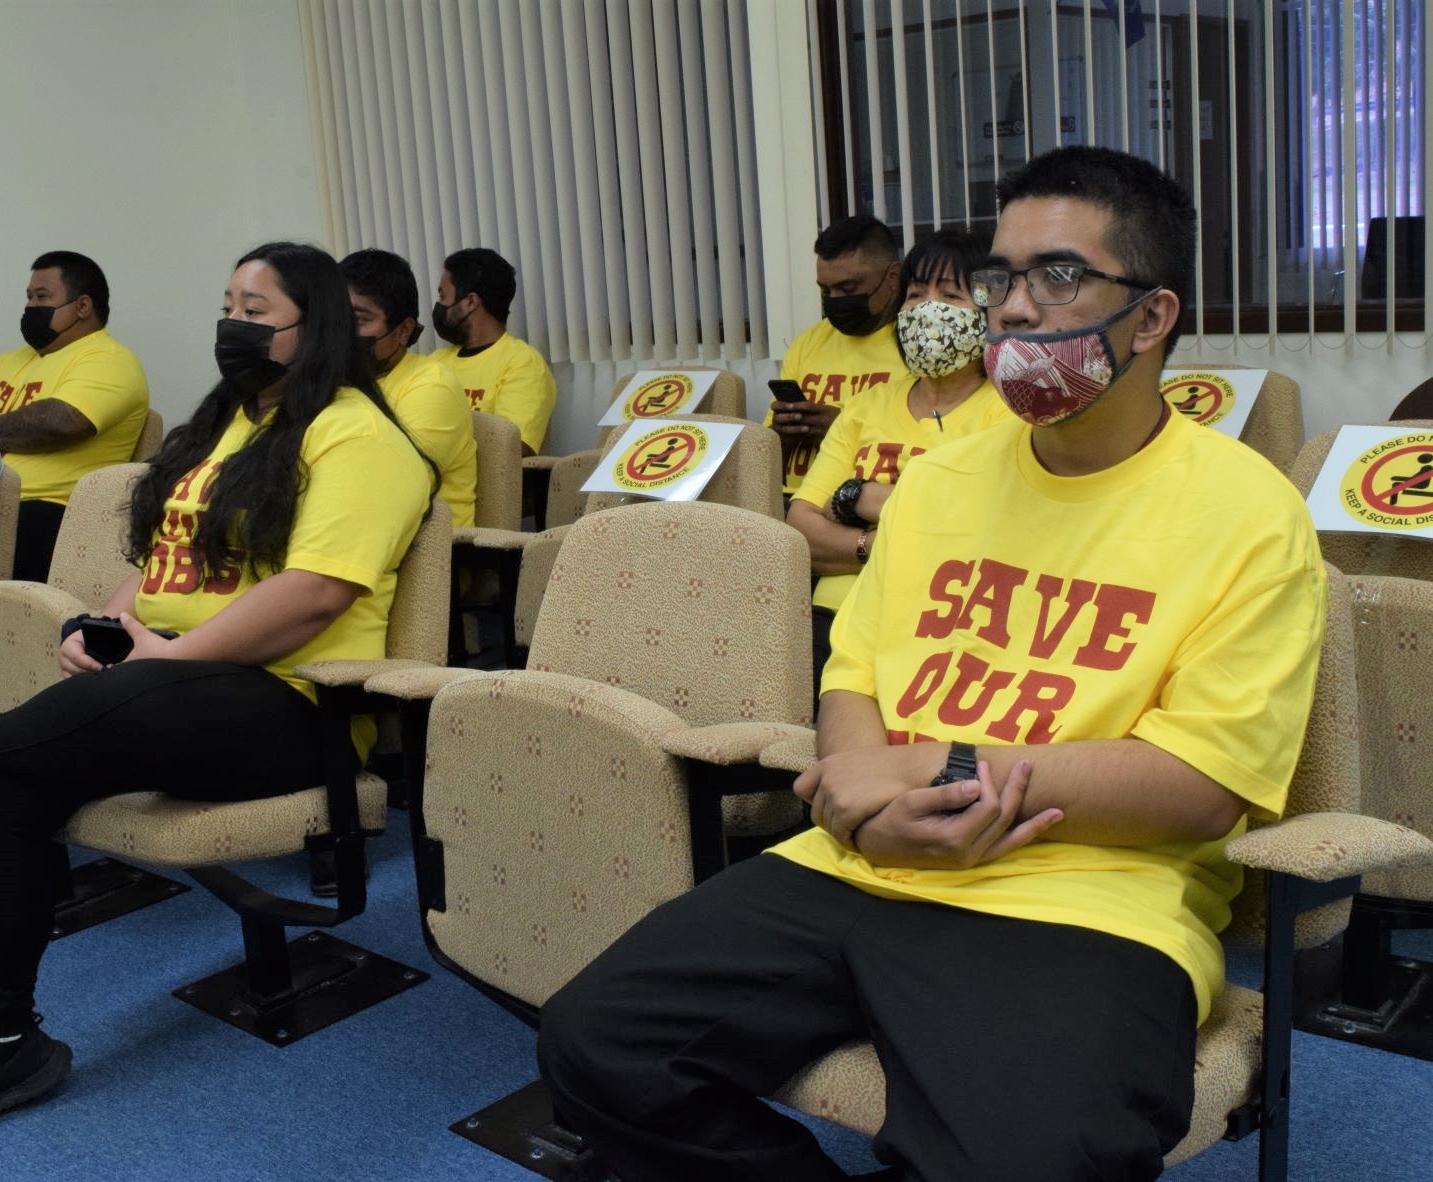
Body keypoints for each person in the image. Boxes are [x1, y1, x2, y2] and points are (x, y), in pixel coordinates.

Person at [536, 147, 1327, 1181]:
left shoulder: (1250, 514)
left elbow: (1203, 790)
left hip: (1087, 898)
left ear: (1152, 315)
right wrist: (865, 802)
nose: (1011, 309)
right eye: (1003, 277)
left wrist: (928, 773)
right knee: (596, 1048)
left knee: (1031, 1157)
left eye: (1059, 276)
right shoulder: (943, 479)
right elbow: (855, 671)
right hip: (857, 861)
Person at [0, 242, 432, 1151]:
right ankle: (1, 1044)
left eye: (257, 310)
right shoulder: (228, 426)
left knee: (45, 732)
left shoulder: (360, 436)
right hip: (175, 683)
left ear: (321, 328)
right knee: (10, 784)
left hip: (291, 706)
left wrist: (162, 660)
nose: (233, 323)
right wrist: (106, 630)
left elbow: (312, 594)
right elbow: (157, 566)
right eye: (228, 301)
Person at [786, 230, 1012, 694]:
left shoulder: (1007, 412)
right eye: (915, 295)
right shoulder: (865, 407)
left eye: (950, 295)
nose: (928, 308)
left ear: (992, 312)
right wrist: (874, 544)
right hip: (832, 619)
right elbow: (801, 528)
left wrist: (855, 495)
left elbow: (973, 531)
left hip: (938, 627)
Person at [0, 251, 149, 582]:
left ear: (83, 307)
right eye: (28, 297)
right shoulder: (8, 361)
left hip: (51, 511)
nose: (30, 307)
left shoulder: (110, 359)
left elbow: (60, 421)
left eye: (42, 297)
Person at [769, 216, 910, 497]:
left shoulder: (916, 347)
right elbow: (765, 458)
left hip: (865, 504)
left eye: (848, 289)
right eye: (825, 291)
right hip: (790, 499)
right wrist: (782, 434)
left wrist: (843, 430)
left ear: (893, 276)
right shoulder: (808, 342)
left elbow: (924, 447)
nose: (834, 299)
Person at [342, 248, 478, 527]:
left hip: (426, 554)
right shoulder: (338, 382)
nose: (342, 332)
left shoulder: (432, 386)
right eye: (336, 319)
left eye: (357, 321)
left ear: (404, 330)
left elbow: (395, 486)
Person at [430, 247, 555, 456]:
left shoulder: (522, 363)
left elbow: (509, 450)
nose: (439, 306)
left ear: (470, 302)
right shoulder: (436, 361)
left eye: (443, 297)